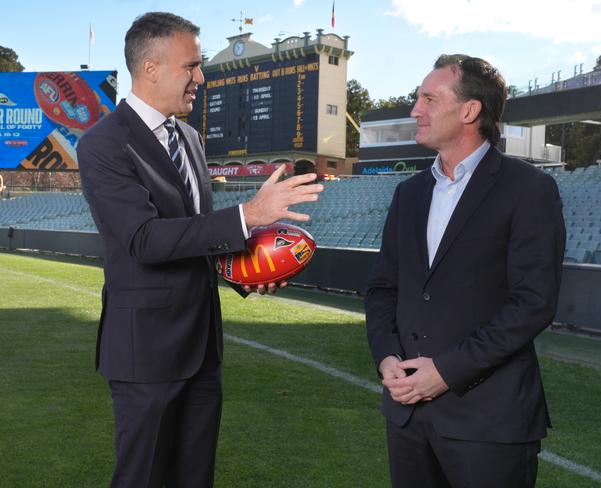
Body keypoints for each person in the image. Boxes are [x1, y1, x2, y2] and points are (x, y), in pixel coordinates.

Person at [78, 12, 323, 488]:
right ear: (150, 68)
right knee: (143, 478)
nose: (201, 78)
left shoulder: (188, 137)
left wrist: (242, 270)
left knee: (195, 478)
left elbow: (192, 236)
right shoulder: (102, 144)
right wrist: (248, 216)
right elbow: (144, 240)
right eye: (191, 66)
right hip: (145, 353)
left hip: (202, 348)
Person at [364, 54, 565, 487]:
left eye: (429, 99)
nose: (416, 110)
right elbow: (383, 288)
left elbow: (533, 303)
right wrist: (386, 358)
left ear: (470, 110)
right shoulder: (408, 194)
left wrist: (446, 372)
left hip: (489, 422)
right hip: (407, 418)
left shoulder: (528, 188)